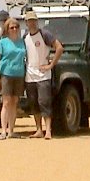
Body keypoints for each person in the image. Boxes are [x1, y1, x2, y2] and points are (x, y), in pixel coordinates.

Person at [23, 10, 64, 140]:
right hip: (30, 75)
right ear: (26, 22)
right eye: (29, 21)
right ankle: (39, 129)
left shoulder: (44, 34)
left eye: (34, 20)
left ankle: (48, 130)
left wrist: (51, 65)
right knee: (33, 102)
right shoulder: (25, 36)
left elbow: (59, 48)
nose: (32, 23)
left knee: (44, 102)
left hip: (43, 75)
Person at [0, 17, 27, 140]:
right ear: (7, 29)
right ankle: (3, 130)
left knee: (14, 102)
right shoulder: (2, 42)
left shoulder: (22, 42)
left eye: (16, 27)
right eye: (11, 27)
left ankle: (11, 131)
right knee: (6, 102)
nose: (14, 29)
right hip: (6, 74)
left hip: (19, 75)